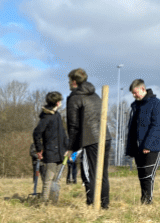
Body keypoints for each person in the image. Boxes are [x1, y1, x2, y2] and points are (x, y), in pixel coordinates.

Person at [66, 68, 111, 209]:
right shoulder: (95, 95)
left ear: (74, 82)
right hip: (105, 137)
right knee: (102, 173)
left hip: (90, 139)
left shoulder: (74, 98)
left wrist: (71, 148)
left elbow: (73, 126)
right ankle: (104, 204)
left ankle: (92, 203)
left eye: (69, 81)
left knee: (89, 173)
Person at [124, 79, 160, 204]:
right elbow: (132, 129)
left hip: (152, 146)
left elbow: (157, 126)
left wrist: (148, 144)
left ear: (143, 89)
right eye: (132, 93)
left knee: (148, 174)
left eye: (135, 92)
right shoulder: (136, 106)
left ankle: (148, 201)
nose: (134, 95)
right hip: (138, 147)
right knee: (141, 174)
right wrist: (131, 148)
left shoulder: (157, 104)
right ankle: (143, 199)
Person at [31, 92, 68, 204]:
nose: (61, 102)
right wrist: (39, 149)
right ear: (57, 102)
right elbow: (36, 133)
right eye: (60, 100)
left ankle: (54, 201)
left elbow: (62, 134)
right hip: (51, 153)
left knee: (57, 180)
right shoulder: (46, 117)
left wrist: (66, 148)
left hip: (61, 153)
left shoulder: (58, 115)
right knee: (48, 179)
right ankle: (44, 202)